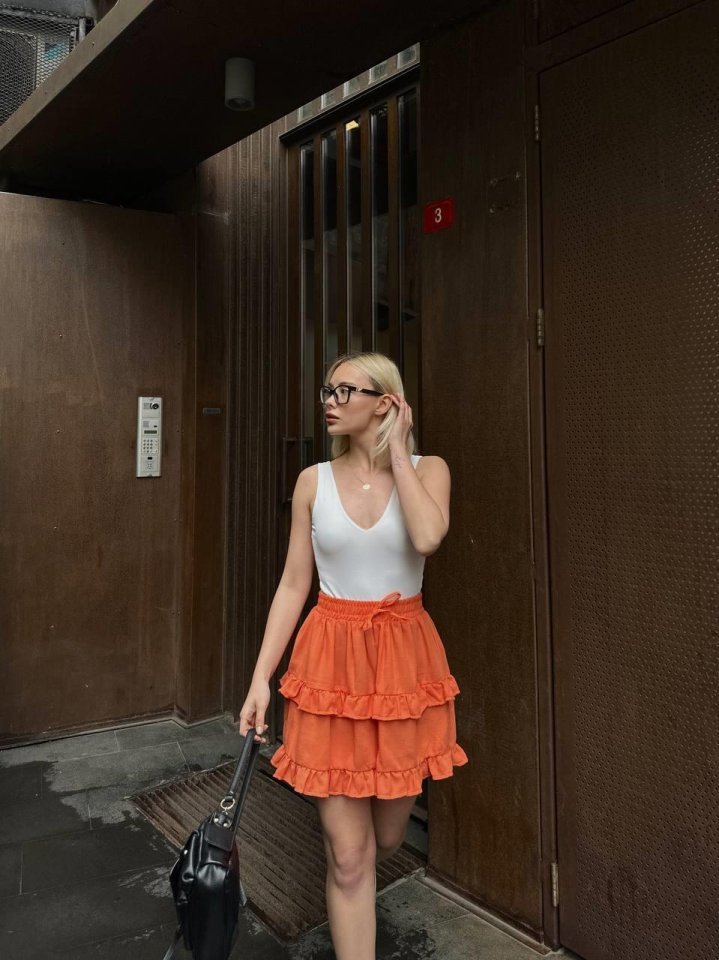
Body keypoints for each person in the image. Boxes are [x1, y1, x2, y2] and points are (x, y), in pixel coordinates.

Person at [237, 351, 468, 960]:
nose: (329, 401)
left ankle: (360, 863)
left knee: (385, 837)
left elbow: (428, 537)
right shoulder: (312, 482)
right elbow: (294, 584)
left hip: (402, 667)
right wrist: (261, 679)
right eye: (327, 390)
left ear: (385, 402)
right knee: (349, 856)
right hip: (330, 666)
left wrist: (400, 452)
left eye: (345, 391)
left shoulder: (429, 469)